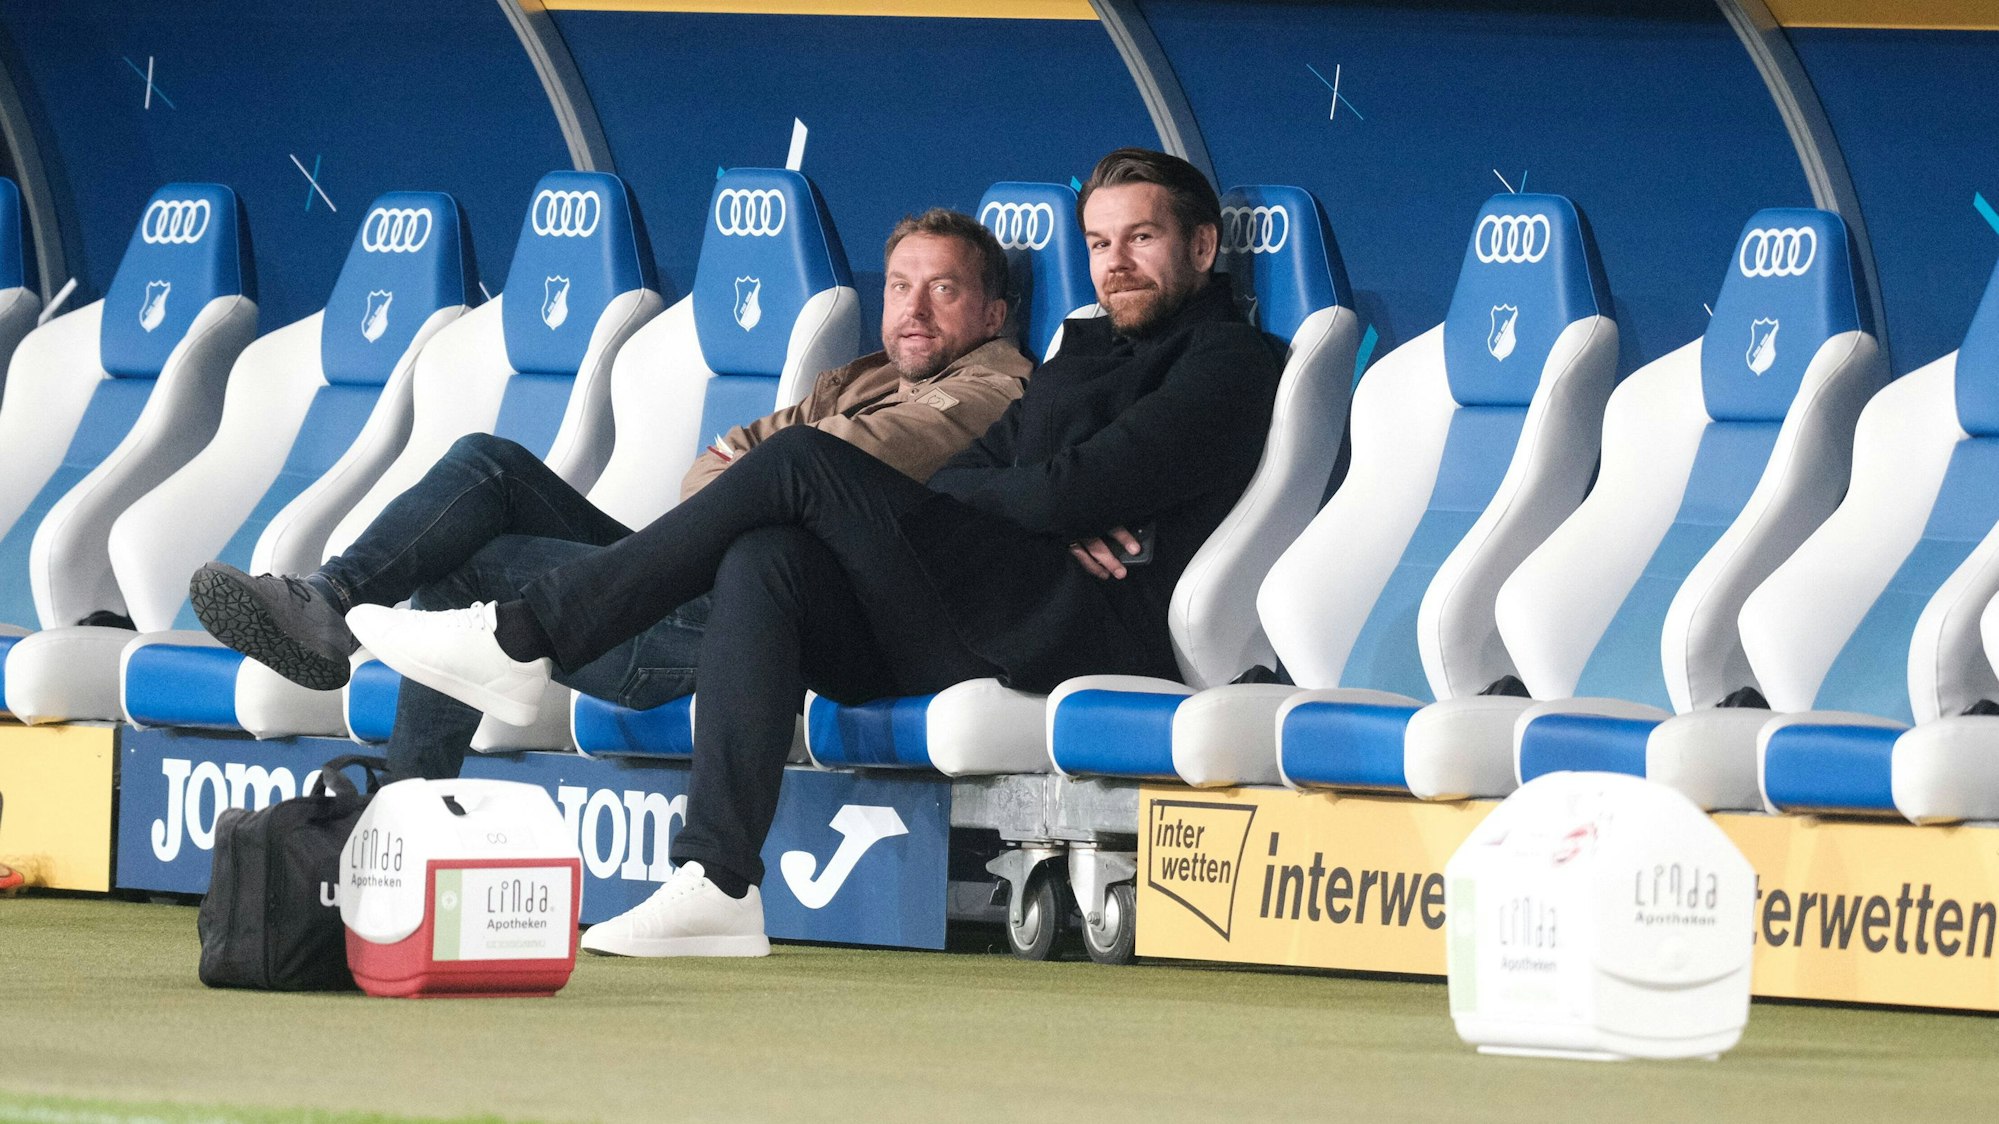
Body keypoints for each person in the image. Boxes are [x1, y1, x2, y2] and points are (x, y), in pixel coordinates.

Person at [347, 147, 1282, 959]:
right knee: (767, 555)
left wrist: (1055, 497)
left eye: (1142, 239)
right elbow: (980, 483)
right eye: (1099, 243)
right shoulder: (1081, 351)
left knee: (800, 462)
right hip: (978, 611)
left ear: (1201, 249)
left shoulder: (1232, 364)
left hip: (1075, 634)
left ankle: (524, 637)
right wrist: (1047, 502)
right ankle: (717, 883)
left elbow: (1063, 486)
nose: (1115, 263)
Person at [190, 208, 1031, 782]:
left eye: (943, 289)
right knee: (490, 463)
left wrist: (766, 469)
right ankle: (330, 601)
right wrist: (763, 470)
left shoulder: (996, 387)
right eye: (897, 286)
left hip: (751, 620)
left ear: (993, 312)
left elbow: (804, 467)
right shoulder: (868, 373)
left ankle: (403, 812)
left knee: (472, 573)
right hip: (682, 580)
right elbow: (720, 465)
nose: (912, 308)